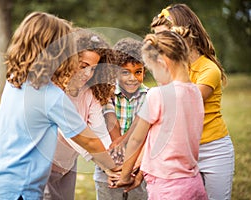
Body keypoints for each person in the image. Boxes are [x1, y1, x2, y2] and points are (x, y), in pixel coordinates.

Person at [0, 12, 117, 200]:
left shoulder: (14, 81)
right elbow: (88, 140)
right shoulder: (51, 96)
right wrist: (114, 169)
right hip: (19, 191)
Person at [109, 30, 208, 200]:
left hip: (167, 188)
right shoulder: (195, 92)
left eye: (152, 69)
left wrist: (125, 176)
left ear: (162, 62)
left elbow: (136, 140)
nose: (154, 75)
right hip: (193, 182)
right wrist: (139, 176)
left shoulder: (158, 94)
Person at [151, 4, 235, 199]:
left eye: (164, 37)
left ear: (183, 34)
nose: (159, 45)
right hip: (183, 150)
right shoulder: (167, 66)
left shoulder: (208, 70)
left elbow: (184, 104)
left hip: (213, 149)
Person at [43, 29, 117, 200]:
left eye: (93, 69)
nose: (88, 74)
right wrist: (106, 166)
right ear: (69, 60)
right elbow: (75, 137)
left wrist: (115, 162)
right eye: (83, 66)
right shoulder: (55, 92)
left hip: (67, 166)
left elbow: (100, 132)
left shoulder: (89, 94)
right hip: (44, 167)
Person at [96, 37, 148, 200]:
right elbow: (106, 128)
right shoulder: (106, 95)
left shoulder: (150, 97)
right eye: (125, 72)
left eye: (138, 72)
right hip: (108, 166)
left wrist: (132, 167)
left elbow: (145, 135)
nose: (132, 78)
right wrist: (113, 165)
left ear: (144, 71)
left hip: (138, 166)